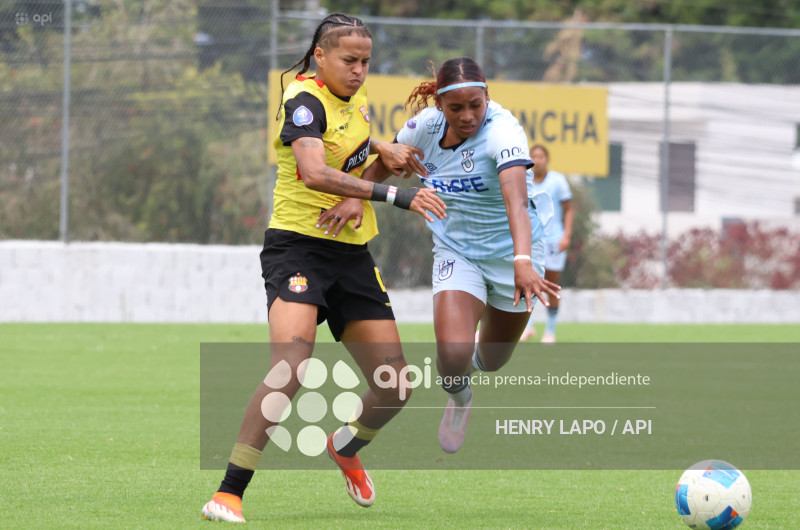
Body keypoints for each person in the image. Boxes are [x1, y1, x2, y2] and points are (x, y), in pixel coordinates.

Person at [201, 13, 446, 523]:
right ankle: (229, 492)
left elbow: (349, 152)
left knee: (396, 384)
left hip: (350, 254)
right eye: (349, 60)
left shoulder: (351, 102)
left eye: (366, 62)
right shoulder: (304, 98)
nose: (359, 70)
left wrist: (380, 151)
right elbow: (313, 172)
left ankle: (346, 447)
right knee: (290, 366)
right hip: (298, 249)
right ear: (321, 56)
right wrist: (393, 194)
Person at [348, 56, 560, 454]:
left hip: (514, 255)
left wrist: (522, 262)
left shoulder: (504, 131)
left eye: (476, 105)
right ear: (440, 106)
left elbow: (516, 202)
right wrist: (355, 199)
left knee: (492, 361)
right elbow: (384, 165)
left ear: (487, 98)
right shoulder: (423, 127)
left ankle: (473, 370)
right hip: (456, 250)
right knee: (451, 358)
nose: (468, 116)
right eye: (456, 108)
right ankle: (460, 398)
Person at [519, 145, 573, 343]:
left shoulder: (558, 181)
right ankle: (528, 326)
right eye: (534, 156)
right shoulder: (523, 180)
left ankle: (550, 330)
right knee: (527, 282)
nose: (537, 160)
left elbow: (569, 209)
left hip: (553, 241)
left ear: (547, 159)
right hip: (531, 240)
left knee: (551, 285)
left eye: (541, 156)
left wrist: (566, 236)